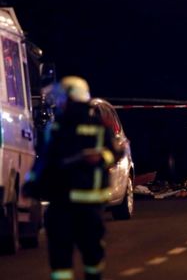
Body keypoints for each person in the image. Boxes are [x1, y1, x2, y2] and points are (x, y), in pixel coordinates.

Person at [23, 77, 122, 280]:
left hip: (84, 204)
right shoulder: (57, 128)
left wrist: (99, 157)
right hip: (68, 203)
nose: (59, 104)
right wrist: (32, 184)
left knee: (89, 254)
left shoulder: (97, 127)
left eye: (62, 99)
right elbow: (43, 161)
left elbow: (116, 152)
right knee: (66, 257)